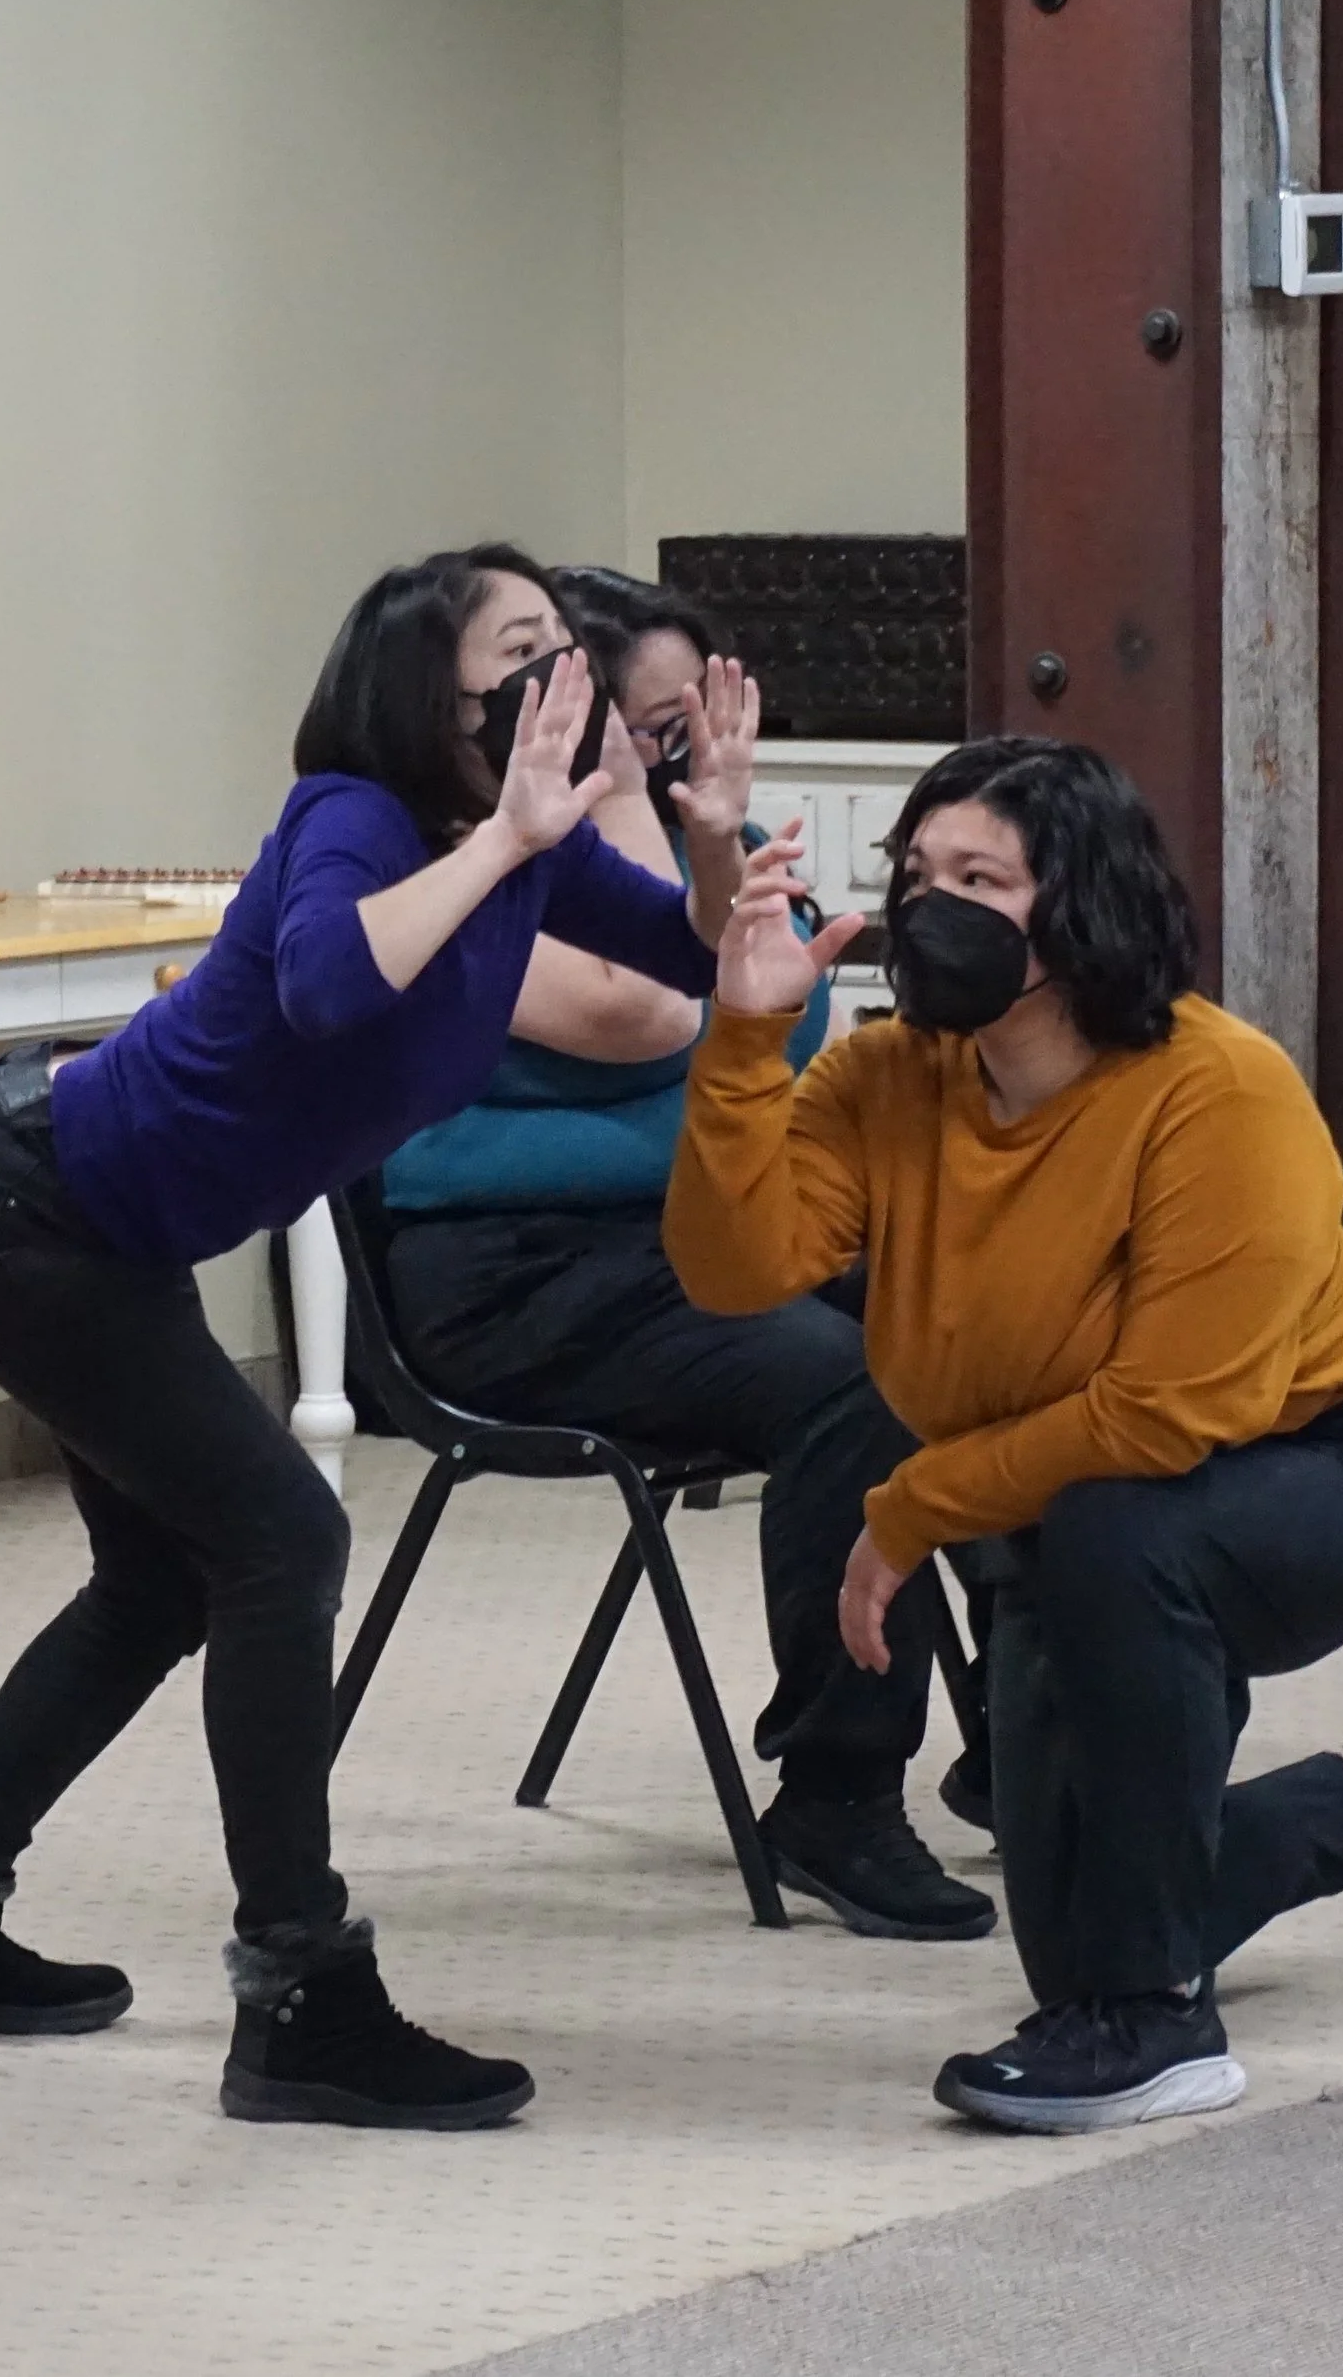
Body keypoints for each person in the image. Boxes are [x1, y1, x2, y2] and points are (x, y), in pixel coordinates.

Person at [0, 544, 760, 2129]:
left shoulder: (513, 848)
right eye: (524, 649)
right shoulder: (357, 817)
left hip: (98, 1225)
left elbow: (701, 960)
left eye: (568, 650)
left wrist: (714, 837)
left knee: (160, 1583)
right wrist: (512, 845)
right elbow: (332, 983)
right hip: (10, 1202)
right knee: (278, 1536)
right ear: (436, 691)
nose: (567, 678)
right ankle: (302, 1995)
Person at [666, 737, 1343, 2135]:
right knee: (1072, 1929)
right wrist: (745, 1038)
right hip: (1065, 1492)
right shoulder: (890, 1073)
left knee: (1126, 1550)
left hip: (1336, 1458)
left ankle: (1162, 2024)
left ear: (1083, 908)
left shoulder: (1216, 1088)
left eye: (981, 878)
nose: (936, 907)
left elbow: (1173, 1409)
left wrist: (909, 1505)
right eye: (919, 875)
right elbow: (731, 1270)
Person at [380, 562, 991, 1941]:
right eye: (645, 727)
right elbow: (647, 1016)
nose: (676, 756)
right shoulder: (461, 855)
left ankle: (1029, 1720)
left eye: (687, 725)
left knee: (977, 1314)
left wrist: (702, 844)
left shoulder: (694, 838)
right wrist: (625, 807)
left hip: (698, 1236)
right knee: (848, 1382)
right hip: (507, 1275)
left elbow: (802, 1011)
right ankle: (837, 1791)